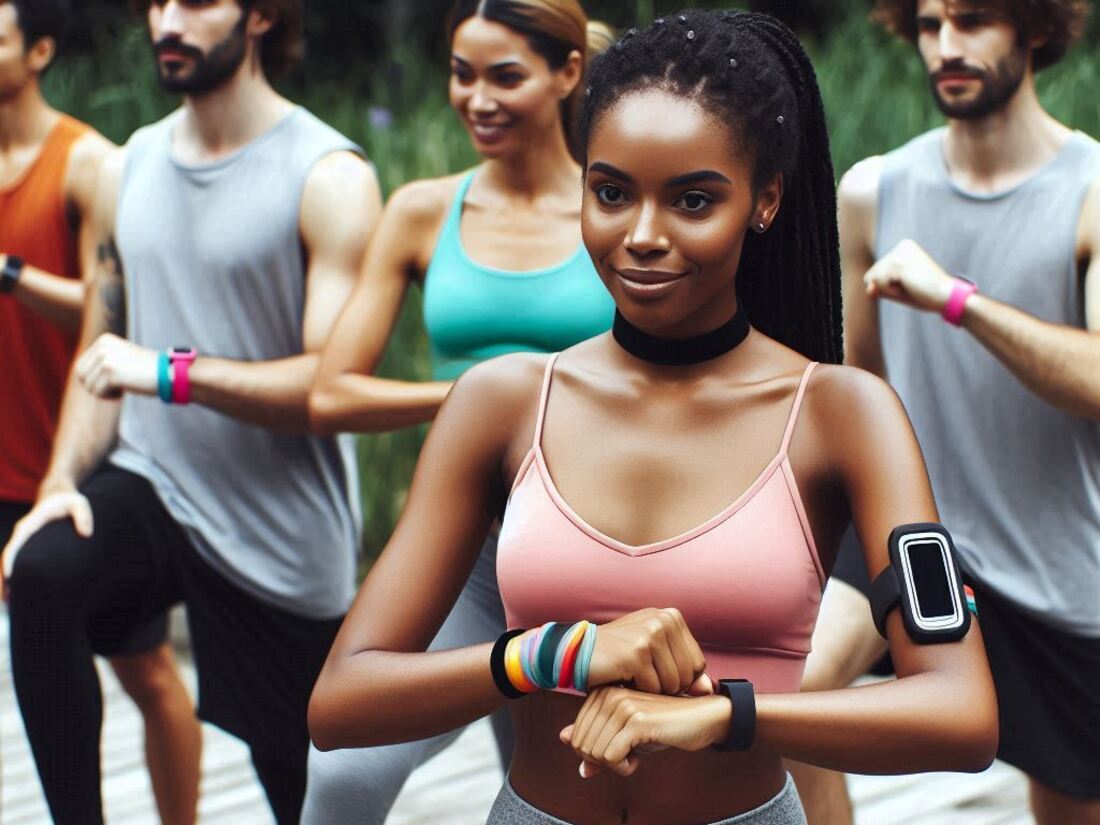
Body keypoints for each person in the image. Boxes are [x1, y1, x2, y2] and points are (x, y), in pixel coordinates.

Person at [309, 10, 999, 825]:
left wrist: (725, 714)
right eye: (610, 193)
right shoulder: (502, 403)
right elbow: (341, 701)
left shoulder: (843, 415)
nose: (640, 235)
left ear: (765, 199)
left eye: (693, 200)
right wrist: (552, 653)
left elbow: (961, 712)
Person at [0, 0, 381, 822]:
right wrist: (59, 482)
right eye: (158, 2)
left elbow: (327, 387)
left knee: (306, 787)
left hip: (277, 525)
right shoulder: (129, 164)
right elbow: (103, 350)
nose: (168, 21)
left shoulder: (329, 175)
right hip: (155, 481)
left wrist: (169, 374)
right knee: (43, 573)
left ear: (261, 17)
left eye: (198, 2)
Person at [301, 1, 614, 820]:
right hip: (469, 553)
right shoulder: (421, 210)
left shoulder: (614, 209)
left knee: (553, 789)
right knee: (344, 773)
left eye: (505, 76)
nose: (477, 99)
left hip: (601, 550)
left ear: (567, 72)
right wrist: (484, 400)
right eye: (460, 74)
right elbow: (331, 393)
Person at [789, 2, 1100, 824]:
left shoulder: (1093, 192)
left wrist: (957, 300)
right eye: (929, 25)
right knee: (789, 701)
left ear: (1036, 27)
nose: (946, 46)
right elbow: (860, 390)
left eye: (973, 21)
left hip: (1057, 570)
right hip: (917, 532)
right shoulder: (874, 190)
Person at [0, 2, 201, 822]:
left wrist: (7, 271)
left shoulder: (89, 162)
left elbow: (108, 306)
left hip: (71, 457)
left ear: (39, 50)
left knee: (146, 670)